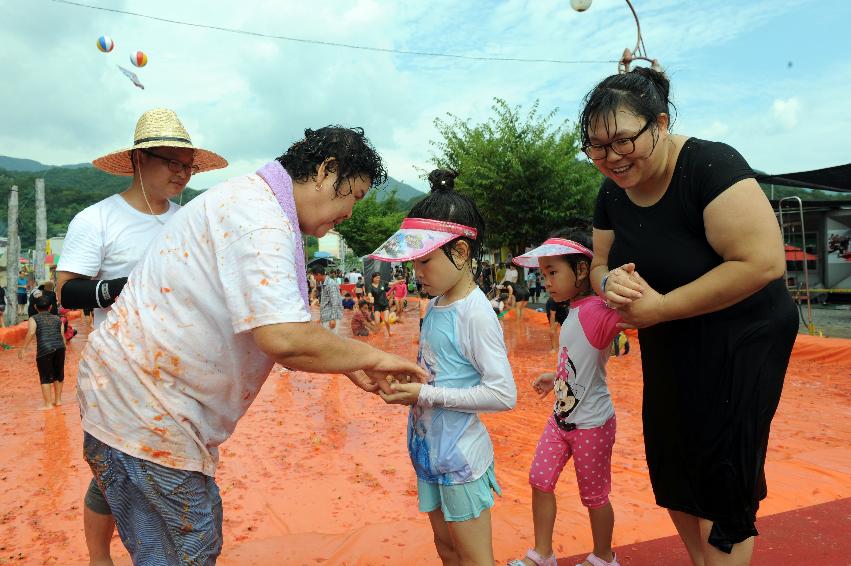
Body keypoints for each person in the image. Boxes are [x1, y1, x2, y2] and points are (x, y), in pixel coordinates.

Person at [74, 125, 427, 564]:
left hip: (128, 399)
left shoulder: (252, 203)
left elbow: (283, 329)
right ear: (326, 170)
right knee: (190, 547)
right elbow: (282, 337)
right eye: (352, 196)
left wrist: (350, 364)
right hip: (146, 407)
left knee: (164, 548)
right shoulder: (260, 217)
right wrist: (375, 355)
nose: (350, 214)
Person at [583, 67, 797, 563]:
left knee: (723, 465)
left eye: (622, 141)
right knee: (673, 458)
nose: (611, 158)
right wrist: (608, 283)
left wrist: (659, 307)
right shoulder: (612, 191)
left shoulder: (710, 166)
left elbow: (762, 261)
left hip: (742, 334)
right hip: (669, 336)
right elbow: (597, 265)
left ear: (659, 123)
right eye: (596, 147)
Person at [55, 108, 228, 566]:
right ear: (138, 160)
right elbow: (67, 290)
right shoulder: (98, 220)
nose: (181, 172)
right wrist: (118, 286)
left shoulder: (188, 219)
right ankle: (99, 557)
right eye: (171, 160)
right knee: (116, 469)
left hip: (180, 375)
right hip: (122, 376)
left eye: (188, 164)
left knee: (126, 470)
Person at [370, 169, 517, 566]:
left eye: (426, 261)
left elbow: (503, 394)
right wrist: (409, 383)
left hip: (461, 461)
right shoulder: (436, 305)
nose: (417, 273)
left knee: (474, 558)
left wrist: (425, 393)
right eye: (414, 262)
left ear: (463, 252)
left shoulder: (476, 313)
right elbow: (439, 372)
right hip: (428, 453)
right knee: (446, 549)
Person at [509, 229, 621, 566]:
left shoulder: (599, 311)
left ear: (583, 270)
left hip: (592, 424)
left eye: (553, 272)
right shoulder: (573, 310)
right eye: (543, 274)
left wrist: (623, 285)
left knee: (594, 496)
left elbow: (635, 316)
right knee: (539, 480)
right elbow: (577, 359)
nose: (546, 282)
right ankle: (542, 554)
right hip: (561, 418)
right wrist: (555, 375)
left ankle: (604, 557)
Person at [19, 293, 68, 409]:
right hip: (60, 348)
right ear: (50, 307)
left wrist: (23, 349)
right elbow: (62, 336)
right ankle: (58, 401)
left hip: (44, 349)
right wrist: (64, 351)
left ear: (35, 307)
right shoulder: (58, 319)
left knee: (45, 377)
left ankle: (48, 404)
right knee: (58, 374)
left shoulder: (34, 318)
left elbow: (31, 333)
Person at [313, 265, 344, 333]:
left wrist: (333, 319)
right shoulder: (323, 283)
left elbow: (335, 301)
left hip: (331, 318)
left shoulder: (330, 284)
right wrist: (321, 318)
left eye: (314, 276)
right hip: (327, 317)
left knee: (332, 342)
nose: (314, 278)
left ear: (318, 274)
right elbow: (326, 302)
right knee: (328, 342)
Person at [367, 272, 392, 337]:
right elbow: (369, 294)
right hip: (377, 305)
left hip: (385, 304)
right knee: (377, 322)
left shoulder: (382, 283)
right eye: (377, 278)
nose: (378, 279)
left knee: (386, 320)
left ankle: (389, 332)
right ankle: (378, 334)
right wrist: (370, 297)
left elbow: (391, 284)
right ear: (373, 278)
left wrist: (399, 281)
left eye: (379, 277)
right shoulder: (370, 286)